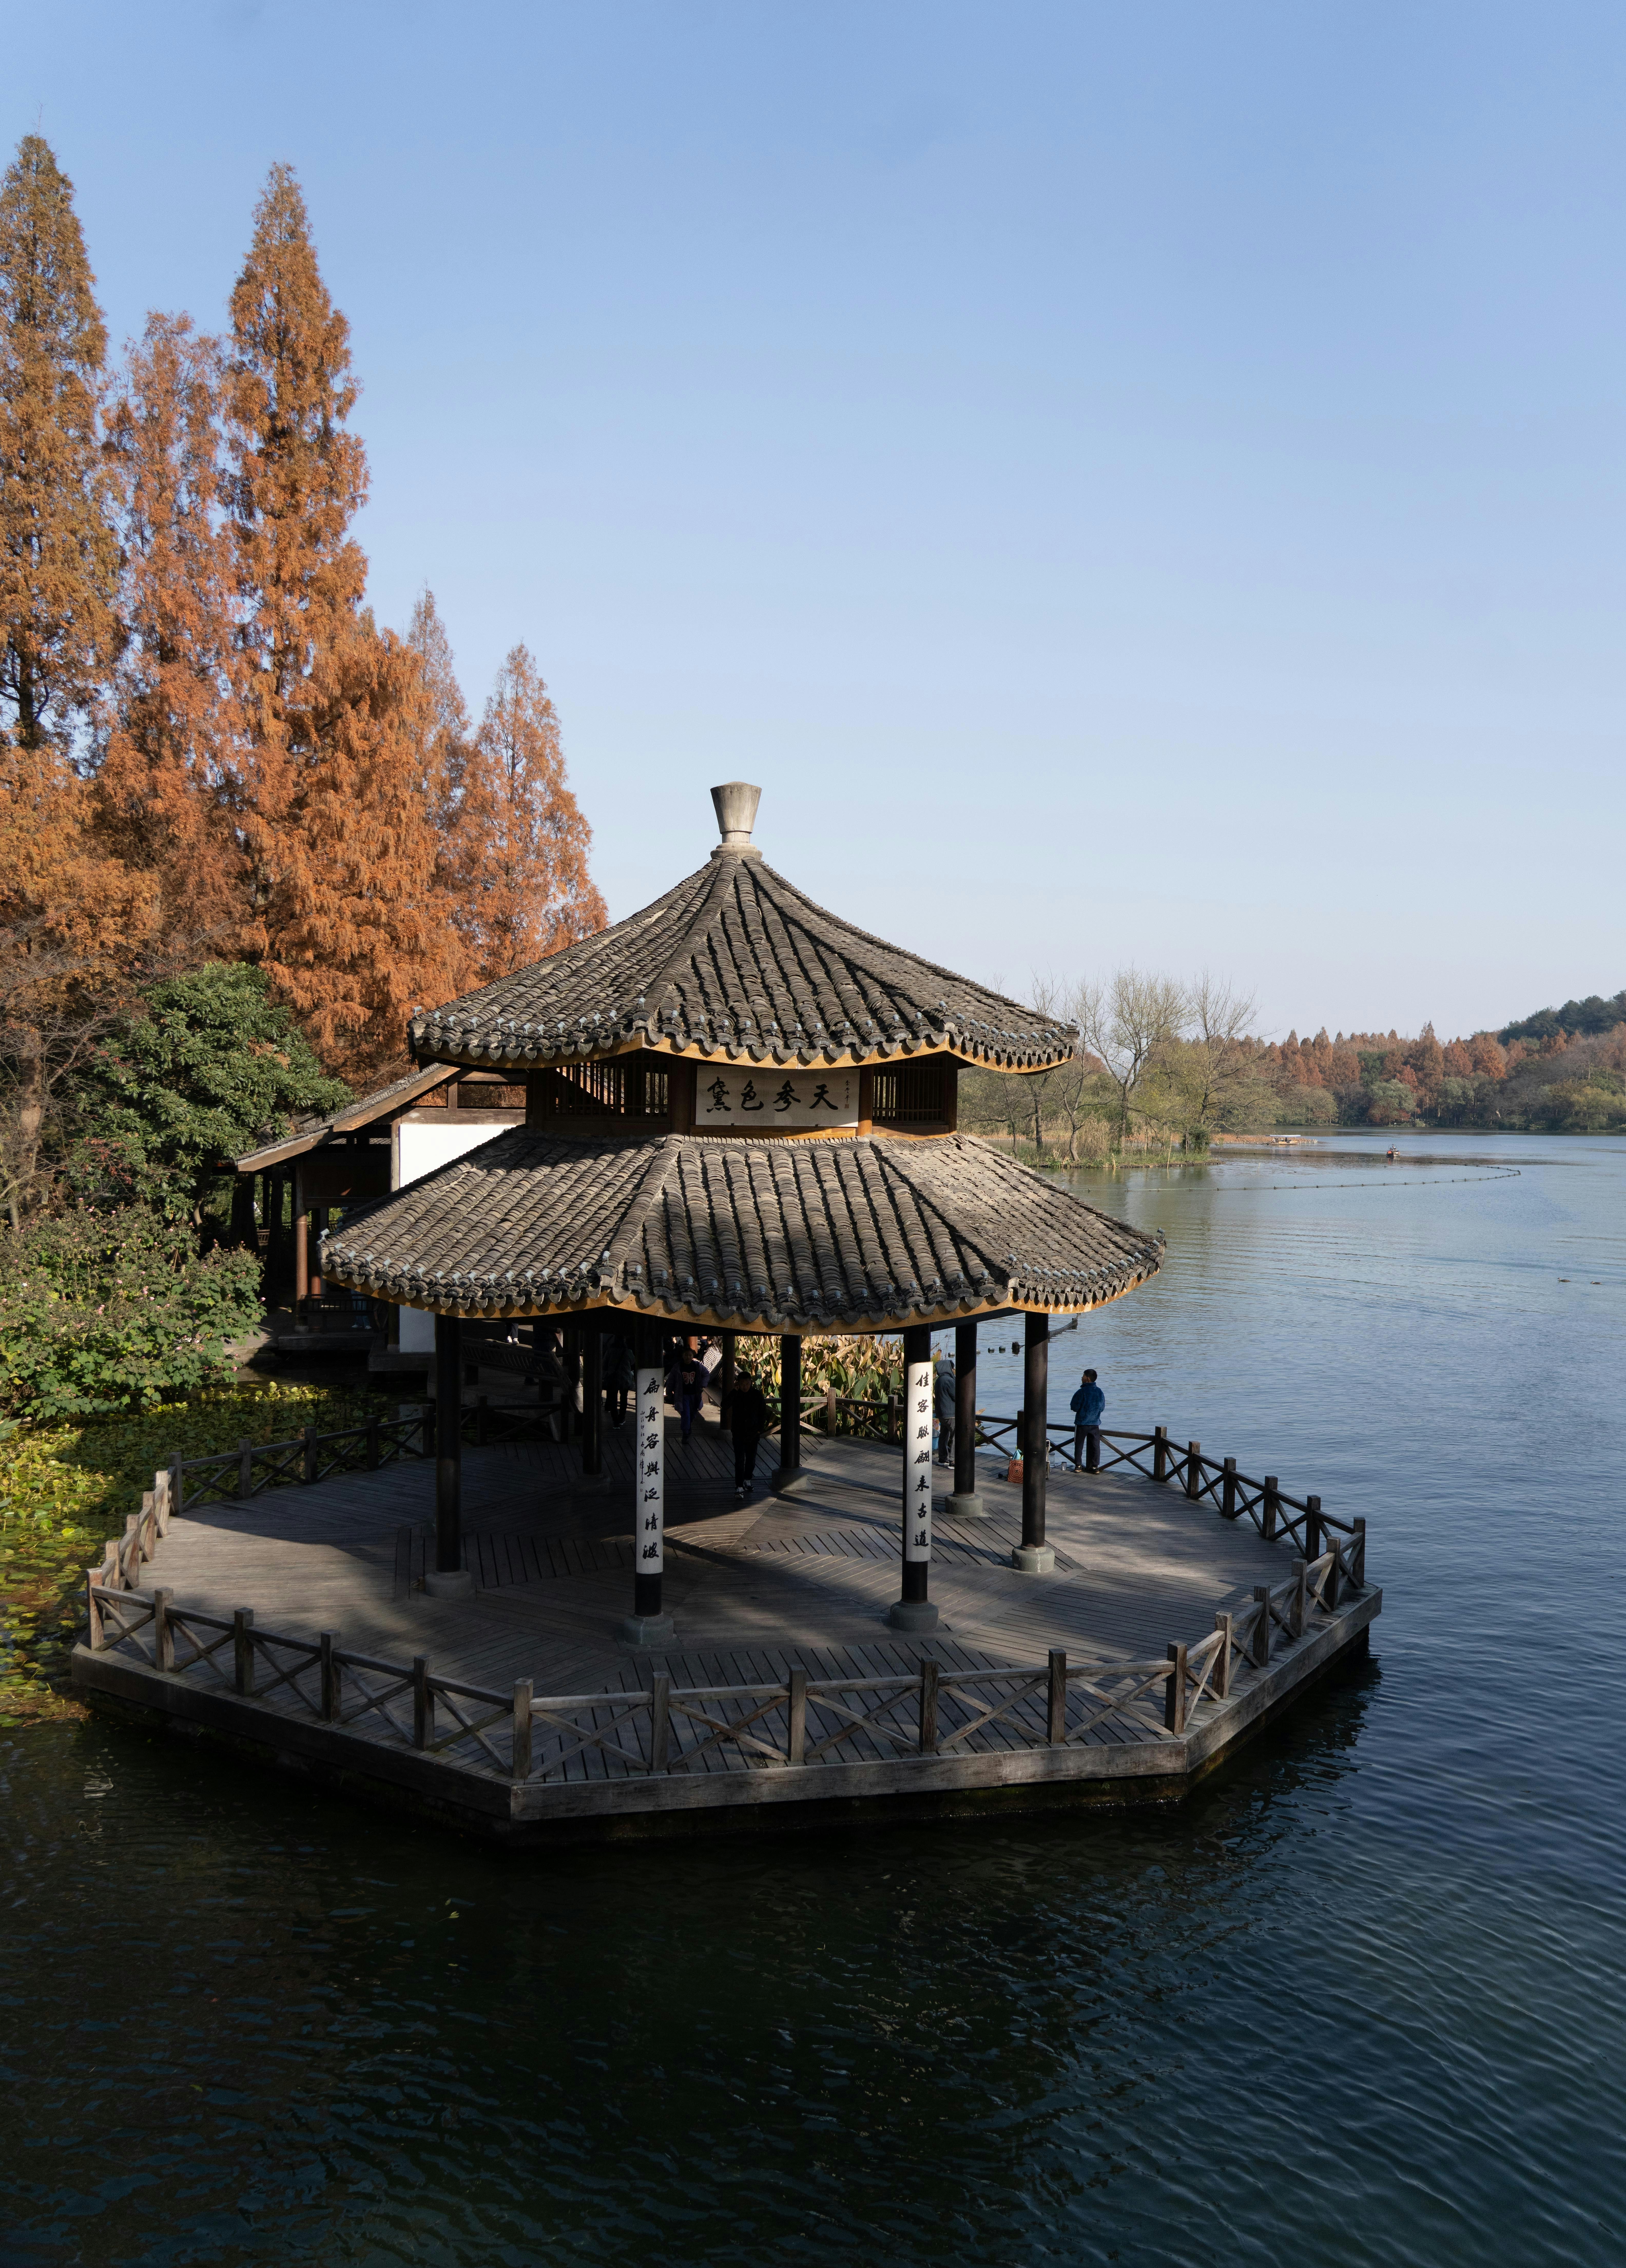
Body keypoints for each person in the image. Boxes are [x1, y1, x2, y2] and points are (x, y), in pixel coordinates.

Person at [729, 1369, 770, 1499]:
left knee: (751, 1461)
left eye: (747, 1384)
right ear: (738, 1384)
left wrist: (759, 1430)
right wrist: (734, 1392)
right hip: (738, 1433)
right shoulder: (736, 1395)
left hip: (753, 1434)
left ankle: (748, 1480)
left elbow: (763, 1413)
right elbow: (725, 1405)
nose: (745, 1387)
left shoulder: (757, 1395)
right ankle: (739, 1487)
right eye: (742, 1384)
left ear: (751, 1383)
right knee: (740, 1461)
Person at [667, 1338, 704, 1443]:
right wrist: (670, 1393)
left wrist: (703, 1385)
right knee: (686, 1414)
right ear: (683, 1356)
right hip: (683, 1395)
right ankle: (686, 1433)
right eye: (686, 1355)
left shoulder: (697, 1366)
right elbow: (671, 1381)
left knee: (693, 1414)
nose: (688, 1357)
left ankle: (688, 1428)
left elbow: (706, 1374)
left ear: (693, 1357)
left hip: (695, 1394)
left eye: (690, 1355)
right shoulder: (678, 1367)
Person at [1070, 1368, 1104, 1472]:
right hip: (1095, 1424)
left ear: (1088, 1379)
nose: (1082, 1378)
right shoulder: (1100, 1392)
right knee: (1095, 1446)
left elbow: (1074, 1407)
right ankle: (1095, 1466)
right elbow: (1102, 1408)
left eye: (1083, 1376)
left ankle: (1078, 1466)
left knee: (1079, 1445)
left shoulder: (1081, 1392)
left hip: (1082, 1423)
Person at [933, 1353, 956, 1466]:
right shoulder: (949, 1380)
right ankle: (953, 1460)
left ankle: (942, 1459)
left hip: (941, 1414)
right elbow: (957, 1396)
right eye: (953, 1368)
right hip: (951, 1414)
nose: (954, 1370)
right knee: (957, 1435)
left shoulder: (939, 1381)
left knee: (944, 1436)